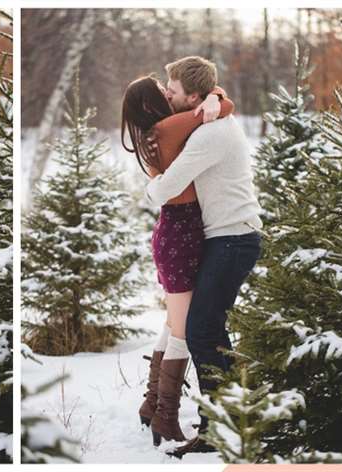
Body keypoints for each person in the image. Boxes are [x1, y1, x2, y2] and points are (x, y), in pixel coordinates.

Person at [144, 56, 263, 457]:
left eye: (172, 89)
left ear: (192, 96)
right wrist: (216, 95)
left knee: (200, 331)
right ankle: (233, 415)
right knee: (209, 331)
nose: (167, 94)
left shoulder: (208, 135)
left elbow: (163, 190)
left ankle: (221, 426)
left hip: (234, 240)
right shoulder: (208, 118)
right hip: (225, 239)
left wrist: (149, 185)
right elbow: (215, 99)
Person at [121, 58, 234, 447]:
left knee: (172, 324)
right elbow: (219, 110)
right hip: (182, 233)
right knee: (184, 332)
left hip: (171, 231)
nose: (169, 93)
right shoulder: (171, 127)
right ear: (156, 104)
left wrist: (214, 96)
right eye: (163, 91)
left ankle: (152, 403)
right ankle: (166, 415)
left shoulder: (151, 132)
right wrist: (218, 98)